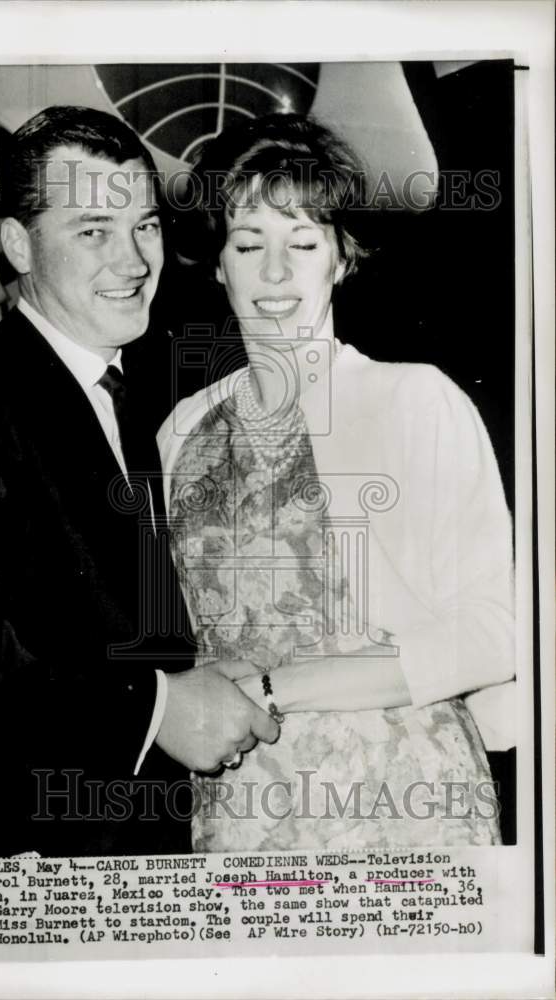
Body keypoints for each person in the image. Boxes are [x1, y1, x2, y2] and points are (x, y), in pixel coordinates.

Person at [0, 106, 280, 861]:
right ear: (19, 245)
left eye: (147, 226)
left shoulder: (166, 397)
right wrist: (156, 709)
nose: (133, 261)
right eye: (93, 230)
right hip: (23, 866)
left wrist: (194, 671)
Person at [158, 113, 515, 851]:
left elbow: (495, 632)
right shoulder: (181, 431)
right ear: (218, 263)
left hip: (406, 801)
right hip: (243, 810)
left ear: (341, 257)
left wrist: (271, 689)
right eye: (249, 244)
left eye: (304, 242)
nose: (277, 274)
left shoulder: (413, 400)